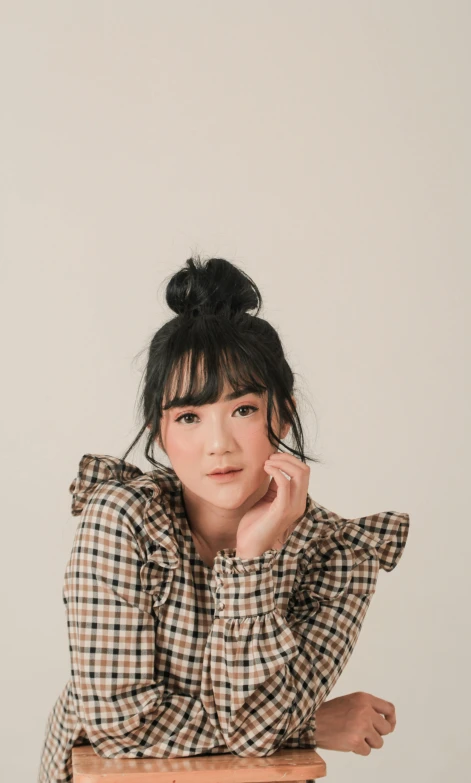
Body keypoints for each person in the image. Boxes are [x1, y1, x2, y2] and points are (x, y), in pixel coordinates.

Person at [38, 255, 410, 782]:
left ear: (281, 412)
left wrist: (253, 558)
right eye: (189, 417)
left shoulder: (340, 556)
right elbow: (119, 728)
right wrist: (307, 725)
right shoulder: (120, 519)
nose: (218, 445)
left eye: (242, 410)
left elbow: (256, 733)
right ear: (159, 432)